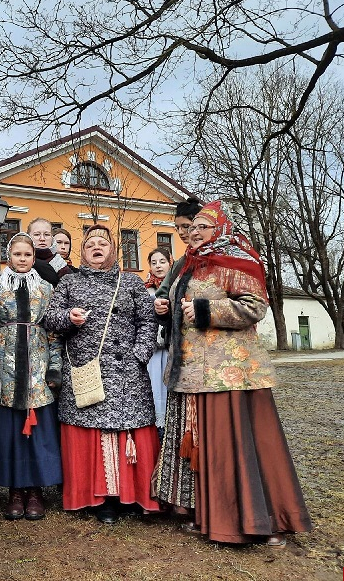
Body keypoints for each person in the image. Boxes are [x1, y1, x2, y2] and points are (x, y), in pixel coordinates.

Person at [155, 201, 311, 546]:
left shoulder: (237, 259)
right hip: (194, 372)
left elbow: (254, 307)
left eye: (201, 228)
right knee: (208, 448)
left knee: (239, 446)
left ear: (220, 229)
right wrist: (166, 310)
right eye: (190, 228)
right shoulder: (189, 267)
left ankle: (261, 520)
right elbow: (179, 311)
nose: (193, 233)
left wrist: (202, 309)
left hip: (231, 375)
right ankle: (211, 515)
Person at [44, 225, 159, 524]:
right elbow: (51, 319)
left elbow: (148, 321)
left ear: (112, 250)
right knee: (92, 429)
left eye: (103, 244)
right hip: (86, 371)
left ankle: (131, 494)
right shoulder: (69, 283)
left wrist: (140, 354)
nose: (97, 248)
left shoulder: (131, 283)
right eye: (91, 244)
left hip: (127, 372)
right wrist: (69, 318)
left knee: (129, 427)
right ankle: (101, 497)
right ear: (83, 252)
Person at [0, 233, 63, 520]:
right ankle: (15, 491)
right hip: (6, 370)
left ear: (34, 257)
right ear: (8, 256)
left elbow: (54, 332)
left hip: (37, 366)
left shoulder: (46, 289)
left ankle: (36, 492)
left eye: (27, 255)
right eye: (17, 254)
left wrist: (54, 367)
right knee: (11, 433)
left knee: (38, 432)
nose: (22, 259)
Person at [151, 197, 203, 516]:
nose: (184, 234)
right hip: (179, 356)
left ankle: (203, 497)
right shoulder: (180, 263)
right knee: (179, 426)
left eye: (188, 227)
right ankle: (181, 496)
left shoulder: (214, 260)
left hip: (206, 360)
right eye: (180, 228)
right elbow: (162, 294)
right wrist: (161, 306)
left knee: (199, 428)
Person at [144, 247, 173, 437]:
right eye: (154, 263)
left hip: (172, 348)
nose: (158, 266)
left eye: (162, 261)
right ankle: (157, 430)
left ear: (170, 262)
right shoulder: (146, 289)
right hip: (154, 351)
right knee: (155, 389)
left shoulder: (176, 285)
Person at [27, 217, 73, 286]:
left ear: (52, 238)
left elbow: (73, 290)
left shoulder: (59, 264)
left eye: (46, 234)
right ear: (28, 237)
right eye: (37, 234)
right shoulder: (21, 260)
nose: (42, 239)